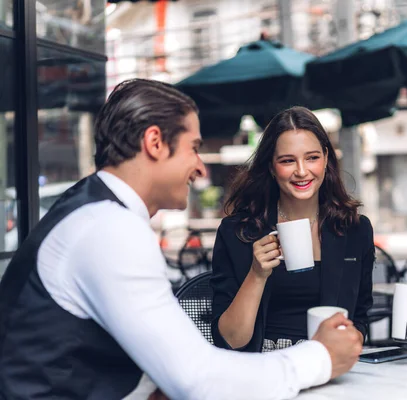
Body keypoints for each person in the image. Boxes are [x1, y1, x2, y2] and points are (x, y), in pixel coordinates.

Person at [0, 79, 362, 400]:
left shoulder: (94, 213)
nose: (201, 167)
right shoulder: (109, 230)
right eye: (193, 147)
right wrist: (321, 357)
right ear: (155, 143)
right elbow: (198, 380)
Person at [211, 106, 374, 353]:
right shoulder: (238, 232)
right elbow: (231, 340)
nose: (301, 171)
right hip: (261, 369)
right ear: (270, 167)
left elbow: (360, 317)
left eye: (312, 157)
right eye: (287, 160)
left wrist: (348, 345)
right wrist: (257, 274)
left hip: (326, 365)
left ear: (326, 158)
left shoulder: (355, 229)